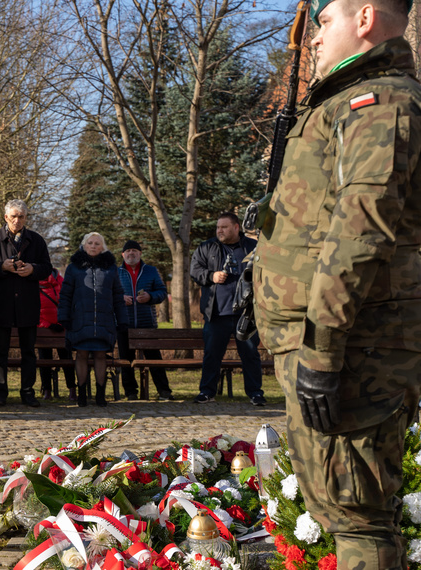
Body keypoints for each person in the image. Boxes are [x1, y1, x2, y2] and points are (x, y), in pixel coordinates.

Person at [253, 1, 421, 566]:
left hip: (353, 346)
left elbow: (359, 235)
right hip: (335, 341)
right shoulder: (349, 103)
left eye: (325, 23)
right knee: (342, 509)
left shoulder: (379, 103)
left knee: (358, 518)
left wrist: (322, 351)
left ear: (366, 18)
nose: (315, 39)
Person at [0, 199, 52, 407]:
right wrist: (2, 267)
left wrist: (32, 270)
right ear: (5, 217)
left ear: (26, 218)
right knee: (0, 351)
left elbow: (47, 268)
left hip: (28, 303)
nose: (17, 220)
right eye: (13, 216)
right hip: (2, 303)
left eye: (21, 217)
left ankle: (27, 392)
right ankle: (0, 393)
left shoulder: (36, 240)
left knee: (28, 351)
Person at [190, 212, 265, 406]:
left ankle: (255, 393)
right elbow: (195, 270)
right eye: (218, 227)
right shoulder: (207, 247)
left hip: (246, 314)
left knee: (250, 355)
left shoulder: (253, 247)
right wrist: (211, 276)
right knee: (212, 355)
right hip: (217, 313)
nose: (219, 231)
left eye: (224, 227)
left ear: (236, 227)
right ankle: (207, 392)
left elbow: (266, 271)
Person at [58, 232, 127, 407]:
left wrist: (122, 319)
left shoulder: (110, 268)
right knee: (80, 354)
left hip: (104, 320)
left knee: (100, 355)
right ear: (84, 245)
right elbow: (65, 294)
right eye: (90, 243)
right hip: (80, 320)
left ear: (102, 247)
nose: (94, 246)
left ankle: (100, 394)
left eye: (97, 243)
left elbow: (118, 295)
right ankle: (81, 394)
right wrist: (64, 317)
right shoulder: (74, 267)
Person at [116, 240, 172, 400]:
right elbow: (108, 293)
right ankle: (131, 392)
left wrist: (150, 296)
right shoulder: (116, 272)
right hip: (123, 323)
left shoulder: (151, 271)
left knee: (154, 358)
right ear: (123, 254)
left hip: (147, 324)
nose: (131, 253)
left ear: (140, 254)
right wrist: (120, 298)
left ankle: (164, 391)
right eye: (128, 251)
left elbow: (162, 292)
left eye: (134, 250)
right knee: (126, 360)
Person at [37, 268, 76, 401]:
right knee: (44, 360)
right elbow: (32, 312)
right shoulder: (32, 284)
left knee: (67, 360)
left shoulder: (62, 283)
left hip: (62, 329)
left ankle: (72, 389)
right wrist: (46, 325)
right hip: (43, 330)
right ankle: (47, 390)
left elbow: (70, 305)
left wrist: (64, 322)